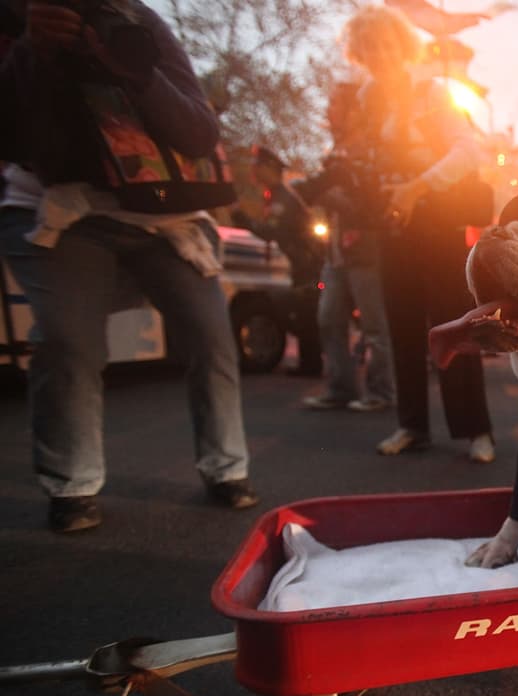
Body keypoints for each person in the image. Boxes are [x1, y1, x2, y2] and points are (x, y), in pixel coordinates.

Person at [0, 0, 257, 532]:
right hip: (62, 208)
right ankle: (72, 484)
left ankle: (227, 467)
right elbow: (14, 137)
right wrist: (32, 52)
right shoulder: (16, 23)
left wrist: (138, 73)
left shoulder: (136, 20)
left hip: (165, 215)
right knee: (69, 342)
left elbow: (198, 133)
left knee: (211, 335)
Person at [340, 4, 496, 462]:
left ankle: (476, 429)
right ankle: (412, 425)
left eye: (386, 44)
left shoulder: (429, 92)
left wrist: (418, 186)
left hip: (437, 225)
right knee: (402, 326)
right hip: (393, 227)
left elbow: (468, 152)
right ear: (359, 54)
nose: (379, 54)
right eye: (369, 47)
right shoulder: (367, 101)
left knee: (454, 326)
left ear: (403, 46)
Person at [294, 79, 395, 412]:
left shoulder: (368, 148)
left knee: (373, 325)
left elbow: (372, 202)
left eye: (335, 103)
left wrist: (334, 197)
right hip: (336, 250)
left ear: (353, 110)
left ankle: (380, 392)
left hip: (364, 249)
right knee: (328, 319)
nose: (329, 109)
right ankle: (340, 387)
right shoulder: (336, 148)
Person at [232, 145, 324, 376]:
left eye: (257, 166)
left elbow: (270, 232)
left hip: (308, 265)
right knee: (304, 313)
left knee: (306, 313)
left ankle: (311, 366)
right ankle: (310, 364)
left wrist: (239, 216)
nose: (253, 170)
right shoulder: (276, 196)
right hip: (303, 263)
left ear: (269, 169)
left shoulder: (282, 199)